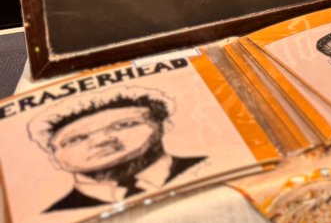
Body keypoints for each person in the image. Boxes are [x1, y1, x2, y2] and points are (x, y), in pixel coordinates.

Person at [29, 88, 207, 212]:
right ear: (54, 158)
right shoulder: (53, 215)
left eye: (123, 125)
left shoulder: (214, 163)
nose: (102, 141)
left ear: (164, 125)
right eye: (75, 139)